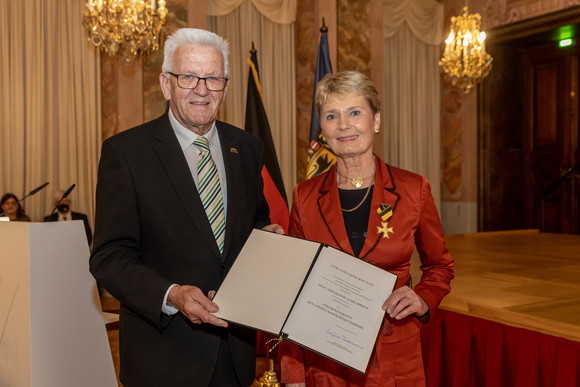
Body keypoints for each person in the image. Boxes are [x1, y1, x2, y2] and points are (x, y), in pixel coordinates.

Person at [89, 28, 283, 387]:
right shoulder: (127, 154)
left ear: (225, 86)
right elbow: (109, 257)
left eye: (212, 78)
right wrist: (171, 294)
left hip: (235, 353)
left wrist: (266, 240)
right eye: (189, 76)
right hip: (164, 357)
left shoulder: (247, 148)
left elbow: (254, 220)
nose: (202, 89)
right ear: (166, 84)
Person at [280, 71, 455, 386]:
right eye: (332, 115)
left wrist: (422, 298)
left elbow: (440, 266)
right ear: (323, 129)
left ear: (375, 120)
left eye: (355, 112)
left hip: (394, 357)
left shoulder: (414, 189)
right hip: (325, 358)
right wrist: (293, 373)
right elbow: (294, 288)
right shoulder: (304, 196)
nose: (344, 125)